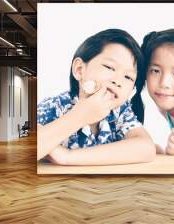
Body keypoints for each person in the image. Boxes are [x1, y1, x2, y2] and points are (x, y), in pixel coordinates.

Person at [37, 29, 155, 165]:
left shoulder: (120, 111)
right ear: (79, 69)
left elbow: (146, 148)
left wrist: (67, 157)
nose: (118, 81)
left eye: (128, 77)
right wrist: (80, 115)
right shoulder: (55, 106)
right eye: (110, 67)